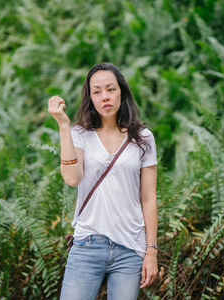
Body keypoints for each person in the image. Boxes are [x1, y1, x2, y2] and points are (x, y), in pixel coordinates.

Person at [48, 62, 159, 300]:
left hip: (130, 247)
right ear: (90, 98)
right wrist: (64, 127)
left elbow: (149, 198)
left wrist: (151, 252)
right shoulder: (79, 134)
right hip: (88, 244)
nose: (105, 97)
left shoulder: (143, 138)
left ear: (122, 92)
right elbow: (71, 178)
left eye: (110, 89)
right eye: (96, 92)